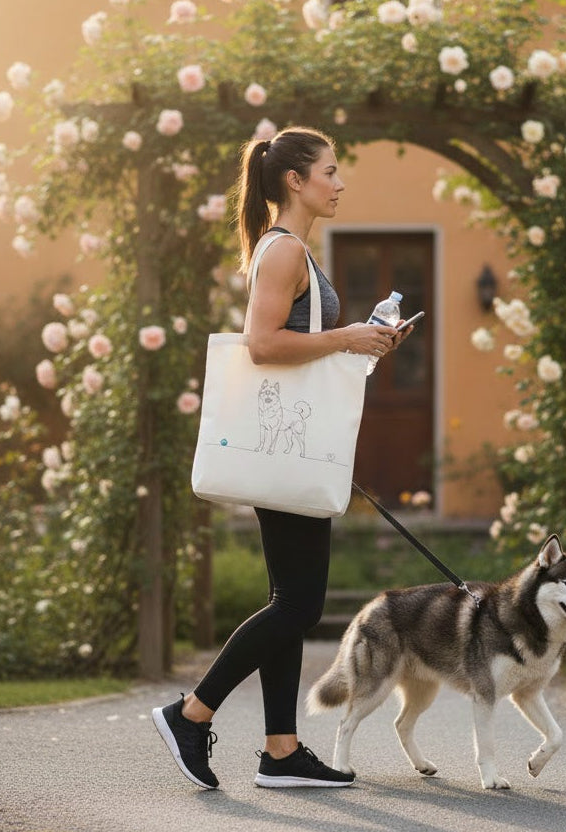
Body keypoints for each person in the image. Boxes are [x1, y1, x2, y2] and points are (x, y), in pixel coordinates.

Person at [152, 126, 413, 790]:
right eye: (330, 170)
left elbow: (298, 344)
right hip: (285, 448)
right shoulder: (282, 252)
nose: (340, 182)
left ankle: (280, 751)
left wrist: (361, 342)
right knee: (299, 604)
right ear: (295, 180)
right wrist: (349, 335)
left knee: (289, 599)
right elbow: (262, 345)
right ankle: (190, 713)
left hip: (293, 446)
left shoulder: (294, 251)